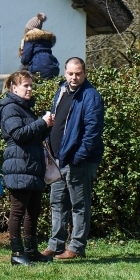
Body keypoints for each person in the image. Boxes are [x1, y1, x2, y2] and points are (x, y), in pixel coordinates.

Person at [43, 57, 104, 260]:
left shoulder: (90, 96)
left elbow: (92, 134)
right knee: (57, 202)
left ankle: (76, 247)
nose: (74, 77)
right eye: (70, 73)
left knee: (79, 204)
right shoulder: (61, 90)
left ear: (85, 73)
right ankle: (56, 245)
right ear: (65, 73)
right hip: (57, 159)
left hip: (78, 160)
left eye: (78, 73)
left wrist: (78, 158)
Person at [0, 70, 55, 266]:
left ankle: (31, 250)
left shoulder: (25, 108)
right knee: (18, 211)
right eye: (25, 85)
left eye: (31, 85)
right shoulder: (10, 108)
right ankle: (16, 253)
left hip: (32, 165)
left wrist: (47, 126)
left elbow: (33, 135)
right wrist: (41, 123)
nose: (30, 88)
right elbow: (19, 134)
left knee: (33, 210)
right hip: (18, 164)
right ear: (14, 88)